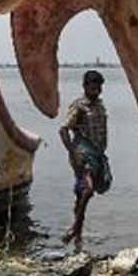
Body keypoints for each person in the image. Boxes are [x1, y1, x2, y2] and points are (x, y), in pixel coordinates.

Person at [58, 69, 111, 246]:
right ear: (85, 87)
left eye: (99, 89)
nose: (96, 92)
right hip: (82, 152)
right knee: (87, 191)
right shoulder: (79, 106)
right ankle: (74, 229)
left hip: (96, 153)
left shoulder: (100, 106)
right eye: (93, 89)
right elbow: (64, 129)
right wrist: (73, 153)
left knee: (81, 194)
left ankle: (78, 238)